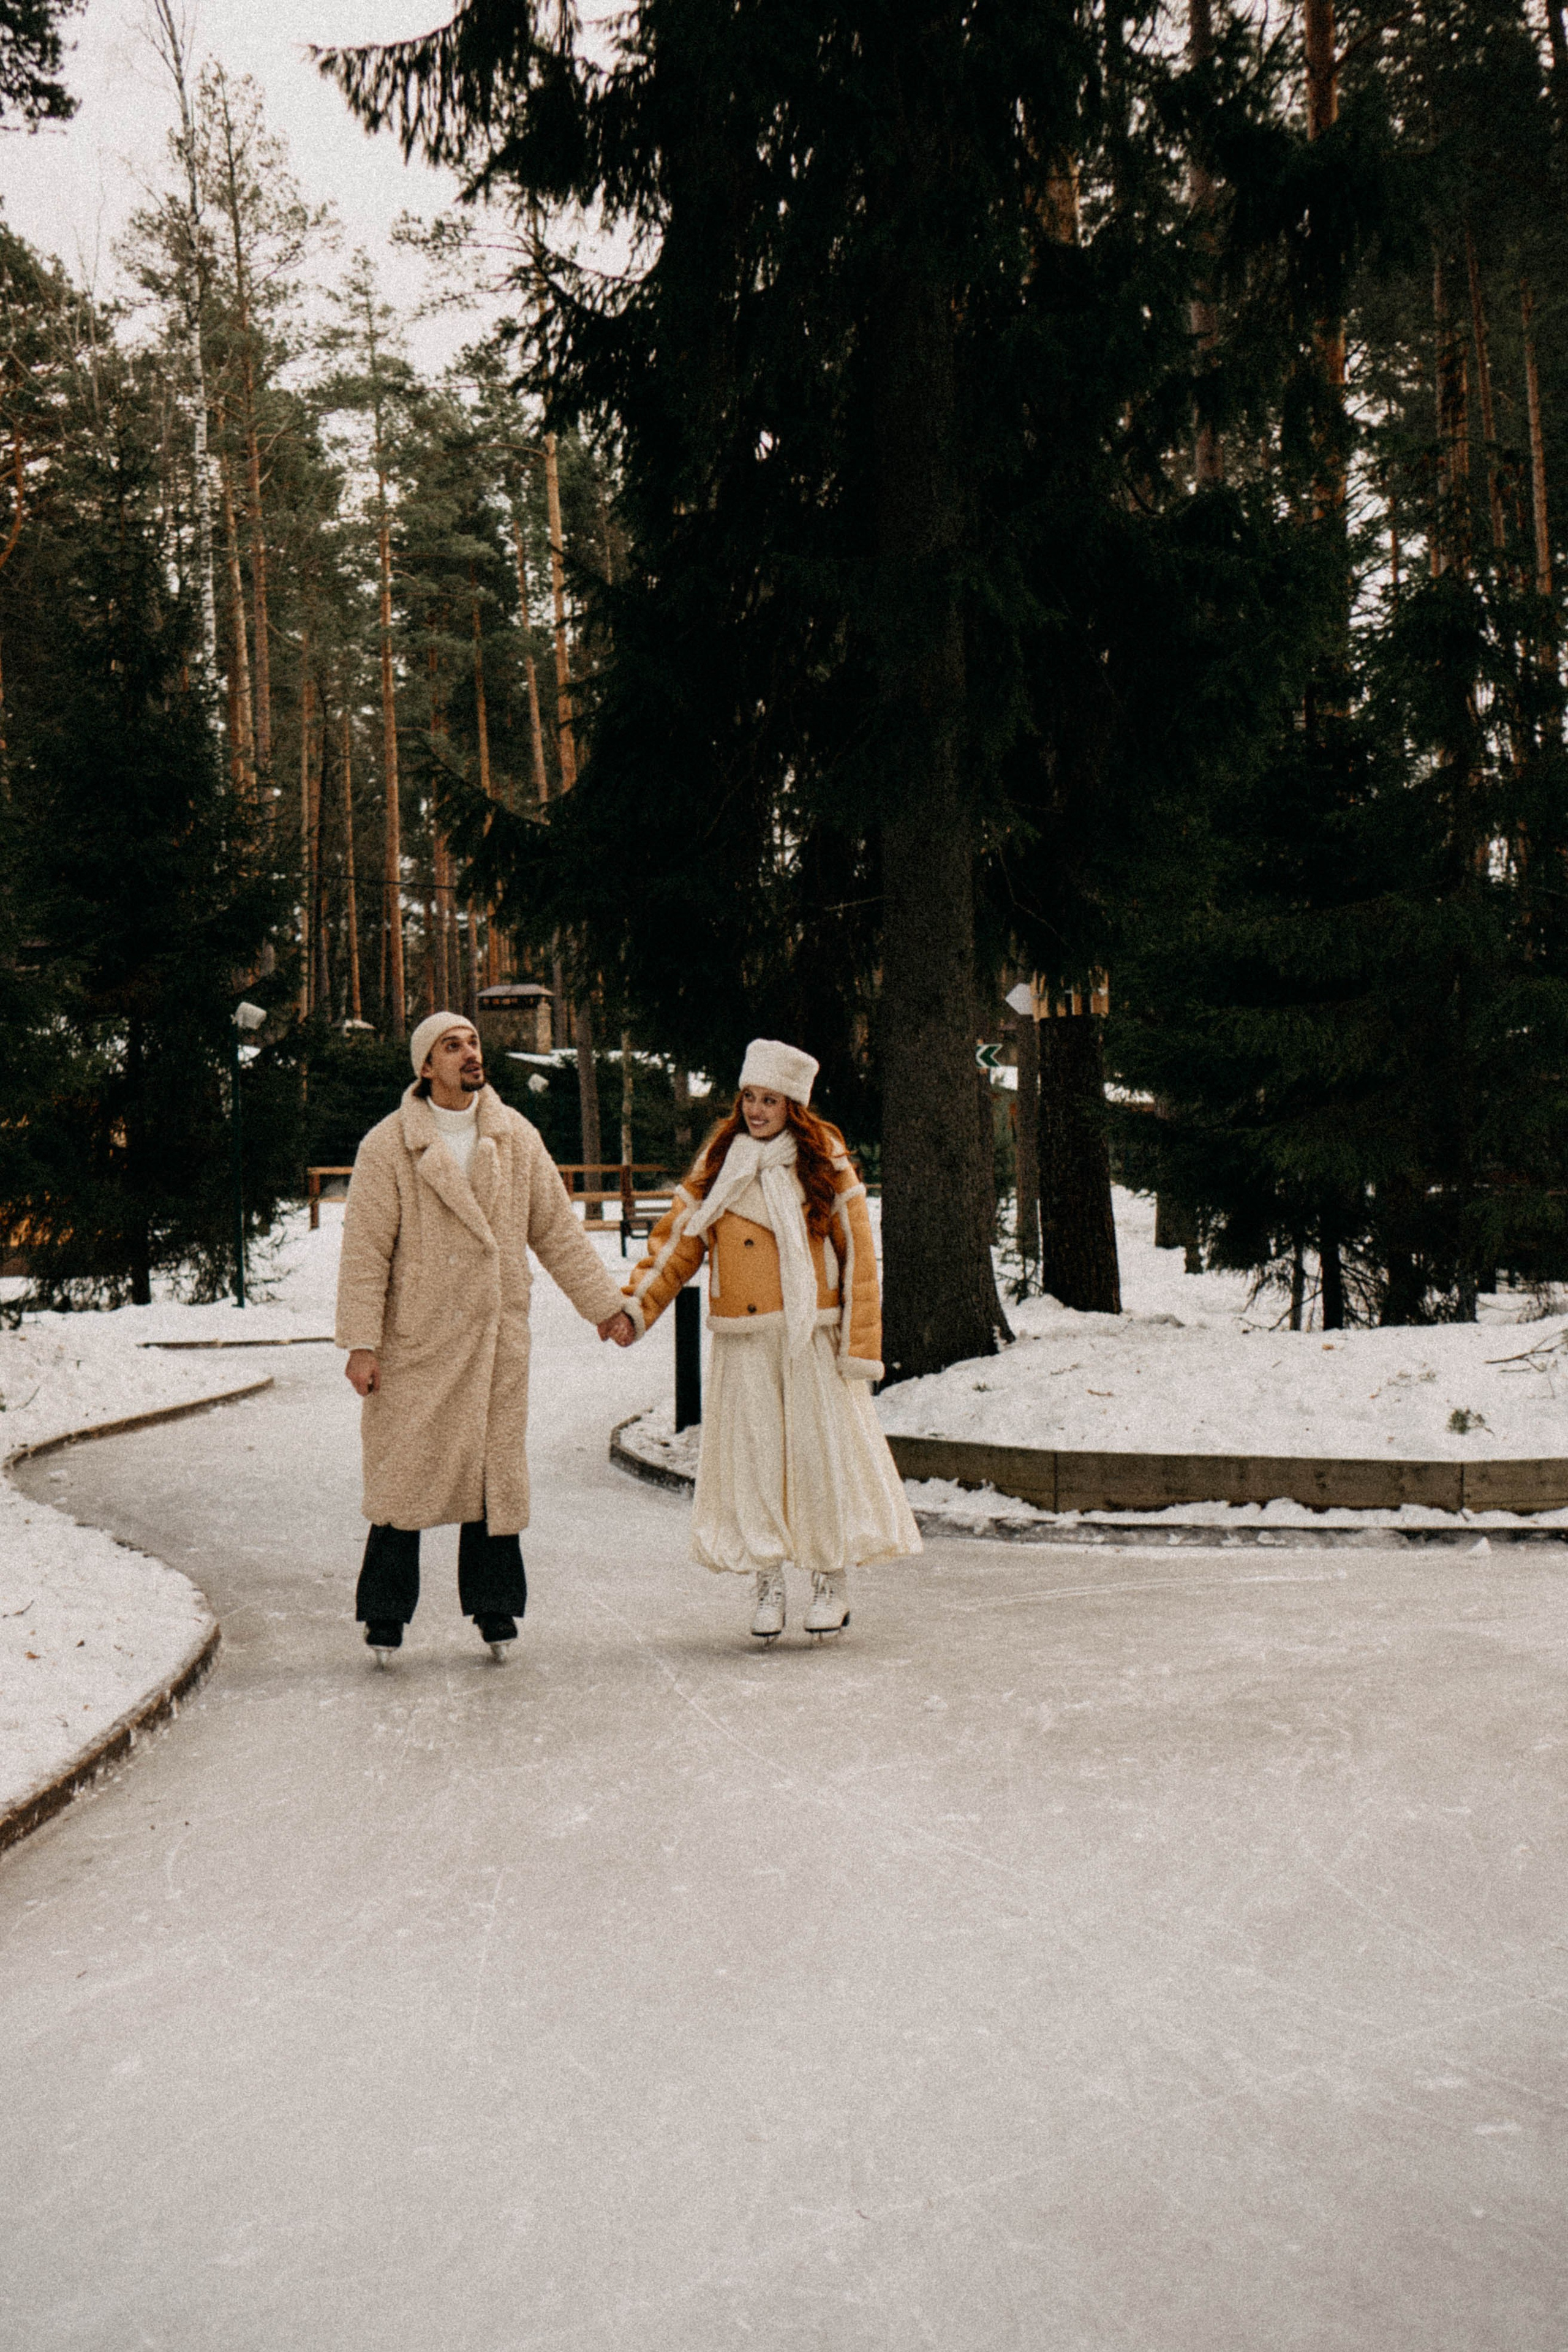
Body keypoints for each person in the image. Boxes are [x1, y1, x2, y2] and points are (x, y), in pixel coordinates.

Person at [335, 1011, 635, 1667]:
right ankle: (384, 1615)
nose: (470, 1053)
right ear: (426, 1066)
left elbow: (555, 1230)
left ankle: (494, 1608)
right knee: (402, 1479)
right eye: (452, 1046)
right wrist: (362, 1343)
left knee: (493, 1475)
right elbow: (364, 1253)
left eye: (471, 1042)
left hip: (496, 1339)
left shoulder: (513, 1136)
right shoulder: (389, 1146)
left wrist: (605, 1307)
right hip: (417, 1343)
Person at [620, 1038, 921, 1641]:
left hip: (810, 1339)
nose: (756, 1111)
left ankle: (831, 1581)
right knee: (755, 1461)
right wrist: (634, 1308)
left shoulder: (825, 1162)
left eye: (770, 1100)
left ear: (794, 1107)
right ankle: (767, 1581)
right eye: (749, 1098)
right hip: (744, 1340)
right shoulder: (720, 1161)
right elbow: (677, 1242)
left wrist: (859, 1347)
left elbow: (859, 1256)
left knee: (817, 1460)